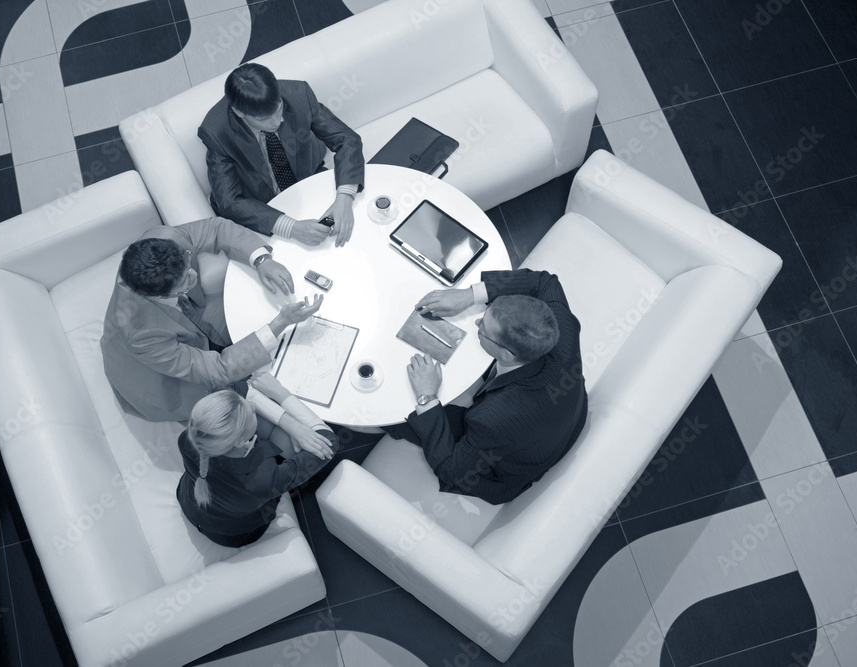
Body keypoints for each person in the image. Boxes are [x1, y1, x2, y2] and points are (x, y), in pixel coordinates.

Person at [385, 268, 588, 505]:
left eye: (483, 329)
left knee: (398, 414)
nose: (477, 322)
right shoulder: (561, 328)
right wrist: (469, 296)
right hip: (561, 415)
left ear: (506, 354)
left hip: (502, 469)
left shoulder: (493, 419)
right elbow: (545, 281)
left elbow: (451, 469)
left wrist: (427, 396)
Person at [101, 216, 323, 423]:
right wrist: (279, 323)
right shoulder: (142, 335)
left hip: (185, 318)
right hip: (159, 381)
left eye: (188, 265)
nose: (194, 275)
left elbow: (217, 228)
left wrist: (262, 260)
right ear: (162, 295)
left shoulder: (165, 240)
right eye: (186, 281)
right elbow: (218, 370)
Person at [198, 62, 365, 247]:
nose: (278, 121)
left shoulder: (300, 94)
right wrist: (292, 228)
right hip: (262, 205)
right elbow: (229, 202)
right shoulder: (216, 131)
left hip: (309, 177)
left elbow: (347, 139)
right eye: (264, 119)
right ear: (239, 112)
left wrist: (345, 197)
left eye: (279, 110)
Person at [177, 376, 339, 547]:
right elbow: (330, 441)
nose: (253, 406)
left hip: (192, 504)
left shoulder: (191, 438)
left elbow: (233, 388)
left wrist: (292, 426)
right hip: (237, 533)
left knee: (272, 430)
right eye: (251, 412)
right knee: (291, 447)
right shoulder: (262, 479)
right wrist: (282, 394)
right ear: (240, 442)